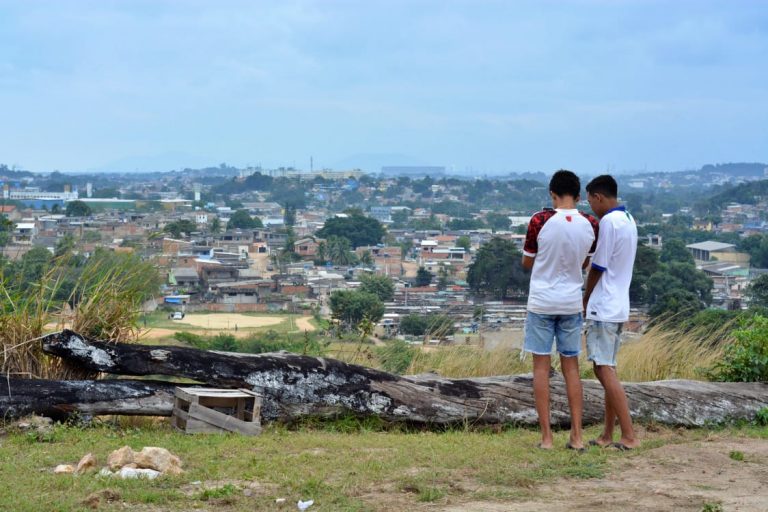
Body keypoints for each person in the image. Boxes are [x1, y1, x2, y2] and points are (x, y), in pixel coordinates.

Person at [522, 170, 598, 450]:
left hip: (542, 301)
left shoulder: (540, 220)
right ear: (579, 197)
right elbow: (584, 264)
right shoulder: (591, 223)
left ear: (552, 194)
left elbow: (527, 262)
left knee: (541, 369)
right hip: (570, 303)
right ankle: (577, 436)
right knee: (572, 369)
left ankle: (546, 438)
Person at [583, 174, 639, 450]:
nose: (591, 206)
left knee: (603, 369)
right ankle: (607, 434)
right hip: (619, 305)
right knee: (608, 369)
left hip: (604, 305)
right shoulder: (628, 220)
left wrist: (585, 297)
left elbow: (598, 266)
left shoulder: (608, 222)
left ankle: (628, 435)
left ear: (599, 197)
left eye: (591, 200)